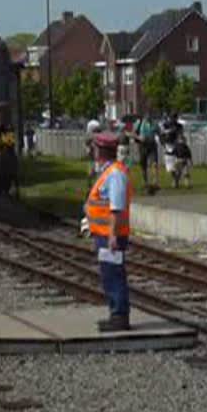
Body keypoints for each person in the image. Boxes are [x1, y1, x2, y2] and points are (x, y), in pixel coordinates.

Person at [84, 132, 133, 332]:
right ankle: (115, 313)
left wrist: (112, 235)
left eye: (94, 149)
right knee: (109, 274)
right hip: (104, 234)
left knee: (113, 274)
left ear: (100, 151)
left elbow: (116, 207)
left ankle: (120, 316)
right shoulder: (109, 172)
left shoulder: (115, 174)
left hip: (111, 236)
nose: (92, 152)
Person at [135, 114, 160, 190]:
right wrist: (139, 138)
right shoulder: (139, 123)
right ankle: (145, 182)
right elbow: (134, 133)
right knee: (143, 165)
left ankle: (155, 182)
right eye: (147, 117)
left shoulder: (154, 124)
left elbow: (158, 132)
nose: (148, 119)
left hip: (152, 145)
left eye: (150, 118)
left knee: (154, 163)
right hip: (143, 145)